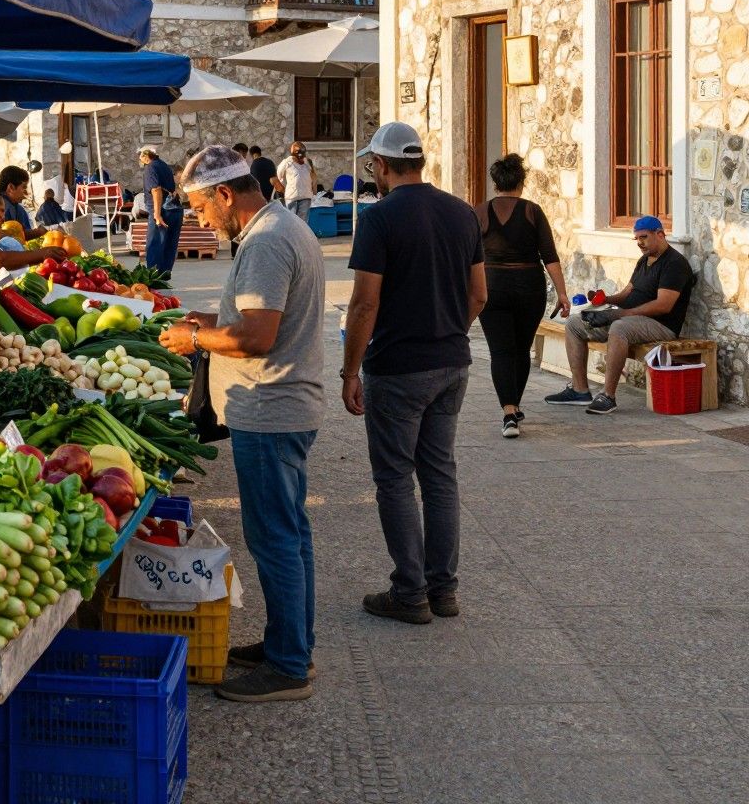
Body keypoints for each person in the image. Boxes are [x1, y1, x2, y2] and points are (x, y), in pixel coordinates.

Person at [155, 146, 325, 701]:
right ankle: (289, 643)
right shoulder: (279, 227)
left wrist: (196, 337)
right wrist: (213, 319)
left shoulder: (268, 241)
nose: (201, 221)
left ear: (225, 195)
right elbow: (255, 318)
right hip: (283, 403)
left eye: (202, 209)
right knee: (290, 534)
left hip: (269, 405)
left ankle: (289, 667)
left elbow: (257, 338)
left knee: (274, 537)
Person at [340, 123, 485, 625]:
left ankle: (410, 592)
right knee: (440, 474)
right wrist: (446, 330)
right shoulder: (462, 213)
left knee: (396, 479)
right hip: (452, 364)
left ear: (380, 165)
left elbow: (364, 304)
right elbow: (479, 295)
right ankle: (443, 590)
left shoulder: (379, 220)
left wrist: (349, 371)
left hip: (399, 368)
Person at [546, 215, 695, 415]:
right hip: (630, 318)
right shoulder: (644, 260)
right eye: (637, 239)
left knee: (619, 327)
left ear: (660, 234)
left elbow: (663, 305)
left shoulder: (675, 263)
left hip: (660, 324)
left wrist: (621, 314)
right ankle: (579, 390)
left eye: (643, 237)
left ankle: (608, 396)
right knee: (575, 322)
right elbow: (627, 293)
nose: (640, 243)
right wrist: (605, 301)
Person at [477, 155, 571, 439]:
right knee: (521, 350)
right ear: (521, 181)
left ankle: (509, 412)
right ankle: (513, 407)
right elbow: (549, 256)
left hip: (491, 286)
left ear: (495, 183)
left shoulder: (479, 212)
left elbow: (466, 257)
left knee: (501, 351)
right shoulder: (533, 211)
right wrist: (563, 293)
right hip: (529, 286)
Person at [139, 143, 184, 274]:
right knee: (169, 246)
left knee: (155, 246)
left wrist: (157, 215)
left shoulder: (150, 168)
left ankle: (154, 279)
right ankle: (164, 277)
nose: (140, 159)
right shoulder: (164, 165)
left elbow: (156, 190)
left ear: (146, 155)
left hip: (163, 211)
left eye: (141, 155)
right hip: (175, 210)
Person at [0, 164, 44, 238]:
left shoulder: (18, 208)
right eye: (24, 187)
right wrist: (41, 231)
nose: (26, 193)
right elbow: (9, 237)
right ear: (11, 187)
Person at [273, 143, 316, 220]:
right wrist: (284, 190)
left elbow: (313, 177)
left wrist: (314, 191)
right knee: (291, 221)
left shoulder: (308, 162)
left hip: (305, 197)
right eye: (299, 156)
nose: (301, 158)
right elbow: (278, 177)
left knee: (303, 223)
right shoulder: (286, 163)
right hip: (291, 198)